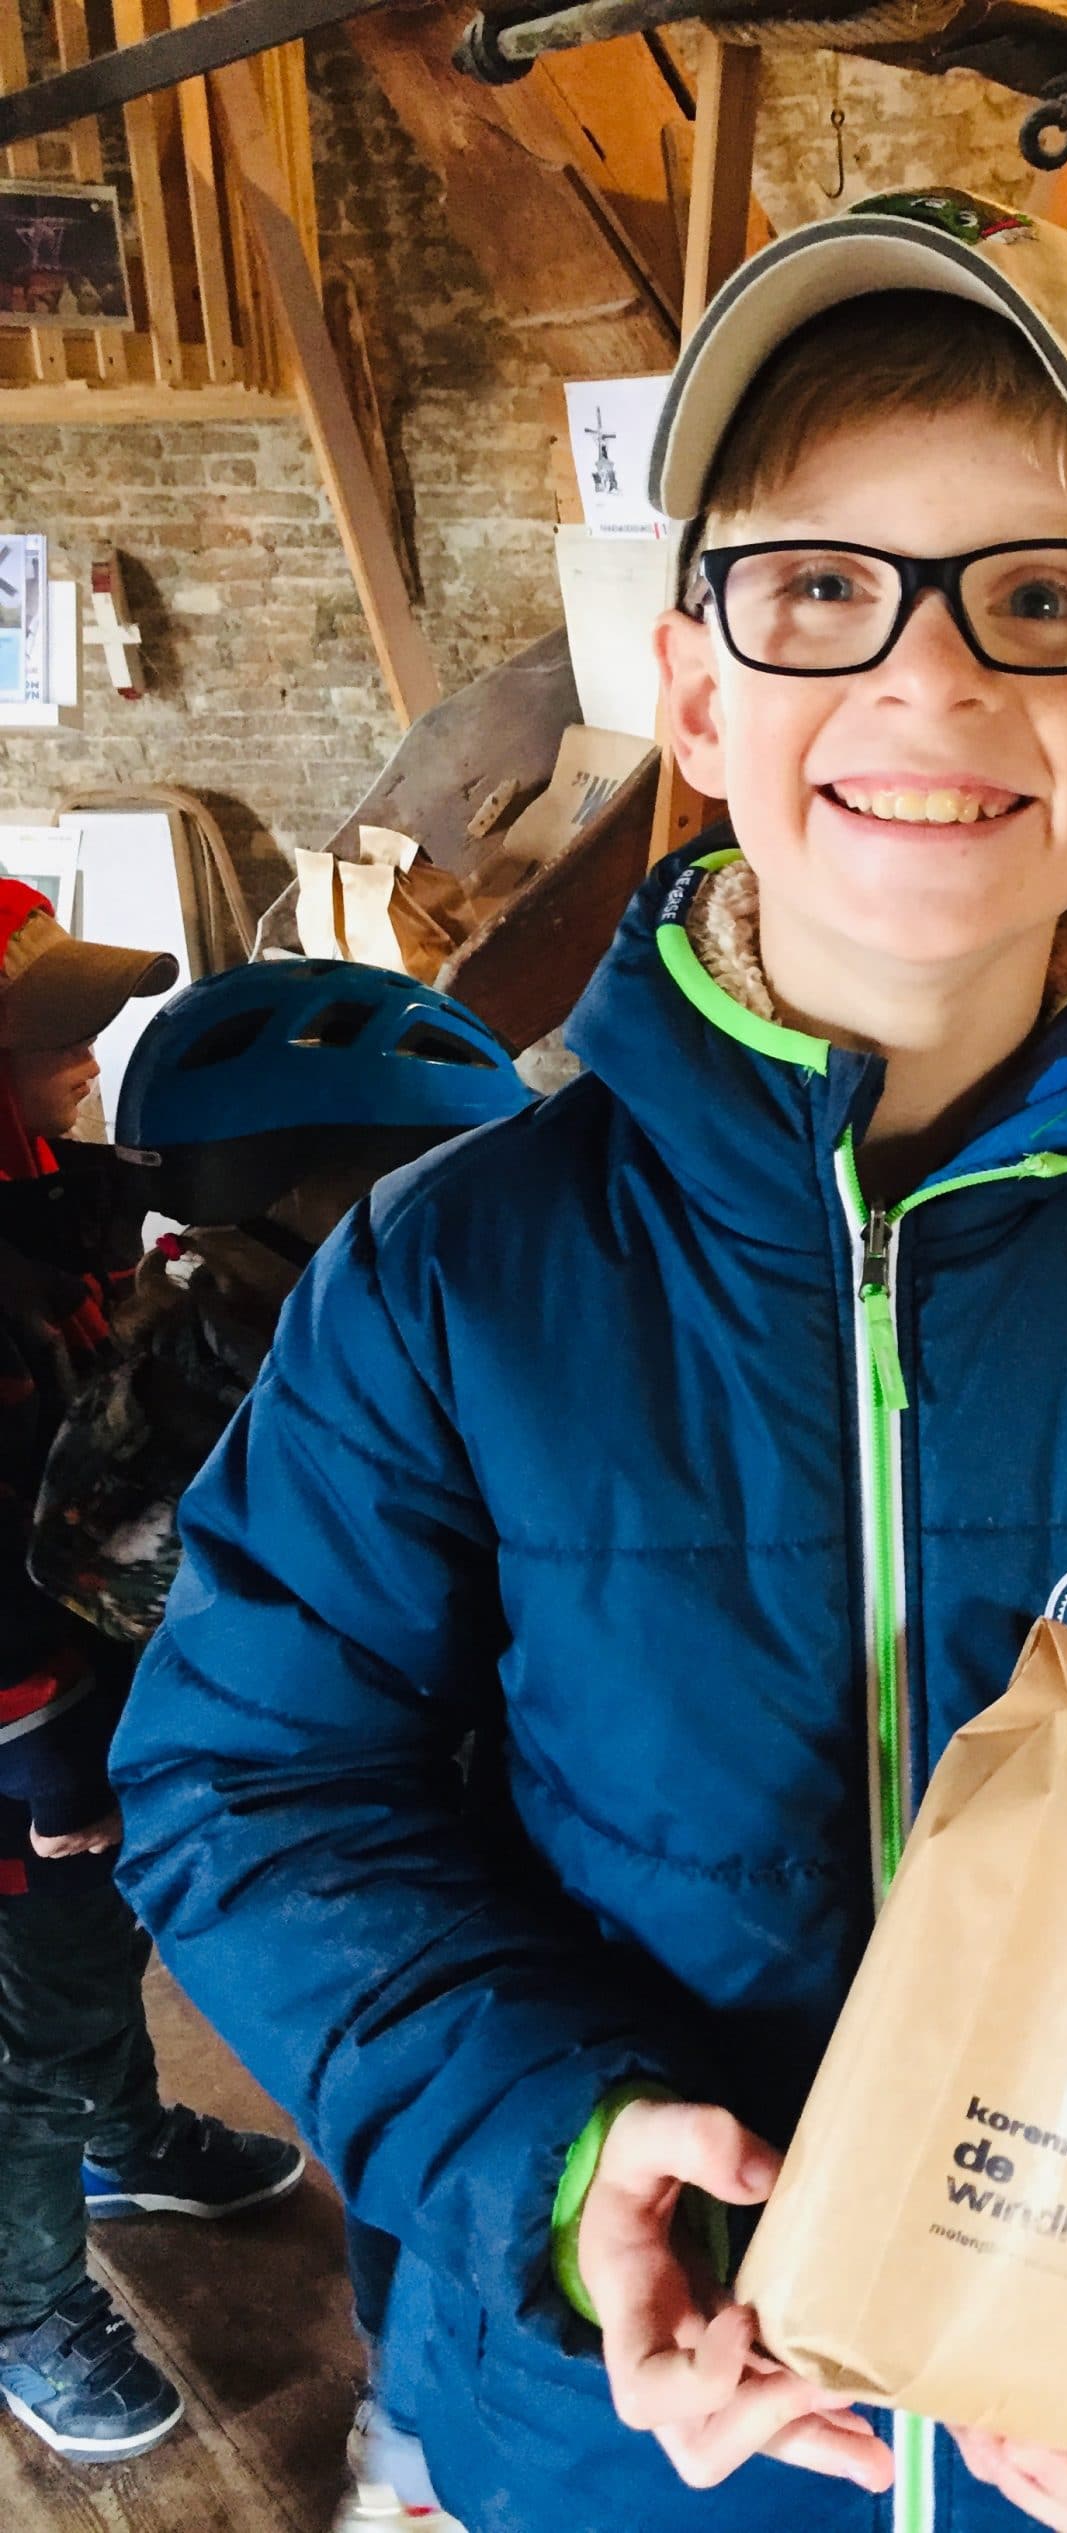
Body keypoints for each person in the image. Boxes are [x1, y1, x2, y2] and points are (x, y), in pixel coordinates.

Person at [112, 190, 1067, 2533]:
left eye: (1040, 596)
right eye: (820, 591)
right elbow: (246, 1781)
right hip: (620, 2446)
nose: (926, 680)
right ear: (694, 697)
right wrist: (555, 2143)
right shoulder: (452, 1276)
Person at [29, 954, 533, 2529]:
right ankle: (413, 2438)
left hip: (282, 1816)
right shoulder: (243, 1362)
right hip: (291, 1831)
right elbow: (94, 1559)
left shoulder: (226, 1306)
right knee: (416, 2129)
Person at [0, 881, 305, 2468]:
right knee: (28, 2032)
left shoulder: (41, 1200)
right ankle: (27, 2296)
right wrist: (45, 1753)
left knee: (99, 1946)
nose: (86, 1044)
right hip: (16, 1745)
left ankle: (128, 2139)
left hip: (82, 1696)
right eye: (47, 1029)